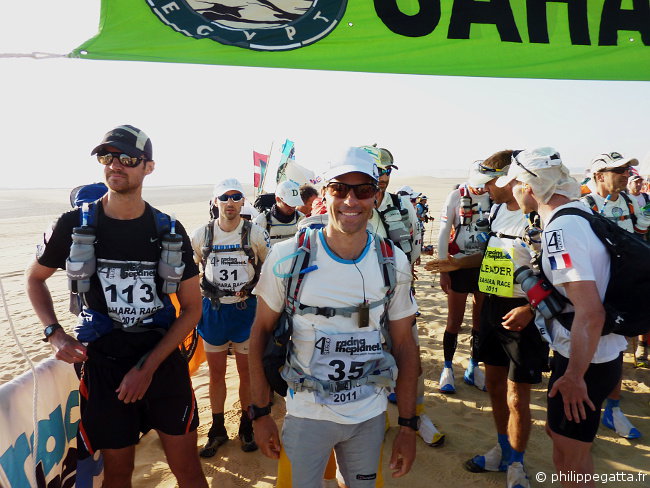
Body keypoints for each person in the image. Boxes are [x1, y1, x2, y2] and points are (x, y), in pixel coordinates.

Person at [25, 125, 208, 488]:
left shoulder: (169, 229)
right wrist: (54, 333)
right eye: (107, 157)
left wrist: (147, 368)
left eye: (127, 158)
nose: (115, 165)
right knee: (118, 474)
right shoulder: (73, 224)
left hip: (162, 363)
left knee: (187, 470)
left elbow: (192, 309)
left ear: (148, 168)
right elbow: (35, 279)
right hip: (104, 366)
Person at [248, 147, 419, 487]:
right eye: (340, 188)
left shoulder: (394, 262)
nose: (351, 200)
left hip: (369, 416)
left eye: (363, 190)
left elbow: (404, 345)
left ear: (376, 196)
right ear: (324, 193)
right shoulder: (287, 259)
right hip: (306, 415)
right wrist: (260, 412)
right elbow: (260, 335)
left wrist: (408, 426)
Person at [497, 147, 628, 488]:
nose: (511, 191)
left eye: (515, 184)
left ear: (529, 187)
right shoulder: (579, 214)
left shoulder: (560, 232)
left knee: (569, 463)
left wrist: (573, 377)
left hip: (585, 360)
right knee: (563, 440)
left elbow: (590, 311)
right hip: (598, 354)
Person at [462, 150, 548, 488]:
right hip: (493, 308)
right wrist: (456, 264)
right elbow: (491, 257)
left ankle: (517, 463)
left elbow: (554, 273)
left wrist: (532, 309)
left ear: (507, 179)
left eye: (488, 183)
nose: (484, 190)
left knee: (517, 396)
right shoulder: (496, 210)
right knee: (495, 387)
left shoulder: (536, 214)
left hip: (524, 312)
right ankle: (501, 449)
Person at [191, 178, 271, 456]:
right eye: (224, 197)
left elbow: (268, 269)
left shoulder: (256, 234)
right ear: (215, 202)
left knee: (245, 374)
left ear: (242, 201)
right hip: (214, 311)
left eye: (236, 197)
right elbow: (191, 272)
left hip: (244, 311)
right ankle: (217, 428)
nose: (230, 203)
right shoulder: (202, 235)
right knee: (215, 374)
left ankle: (246, 426)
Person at [579, 152, 649, 439]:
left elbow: (641, 239)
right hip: (590, 290)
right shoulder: (584, 206)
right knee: (585, 346)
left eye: (626, 169)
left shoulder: (633, 203)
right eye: (617, 170)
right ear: (598, 176)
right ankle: (585, 405)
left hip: (622, 289)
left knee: (617, 347)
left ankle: (614, 409)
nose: (625, 174)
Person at [437, 161, 492, 393]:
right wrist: (444, 270)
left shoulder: (493, 197)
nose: (482, 189)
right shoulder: (456, 196)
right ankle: (448, 368)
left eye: (485, 184)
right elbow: (442, 232)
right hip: (458, 265)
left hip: (483, 265)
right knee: (454, 321)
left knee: (480, 322)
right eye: (478, 184)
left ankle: (473, 366)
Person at [254, 179, 305, 245]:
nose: (292, 207)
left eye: (294, 204)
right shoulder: (262, 221)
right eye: (288, 204)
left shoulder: (301, 219)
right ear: (277, 199)